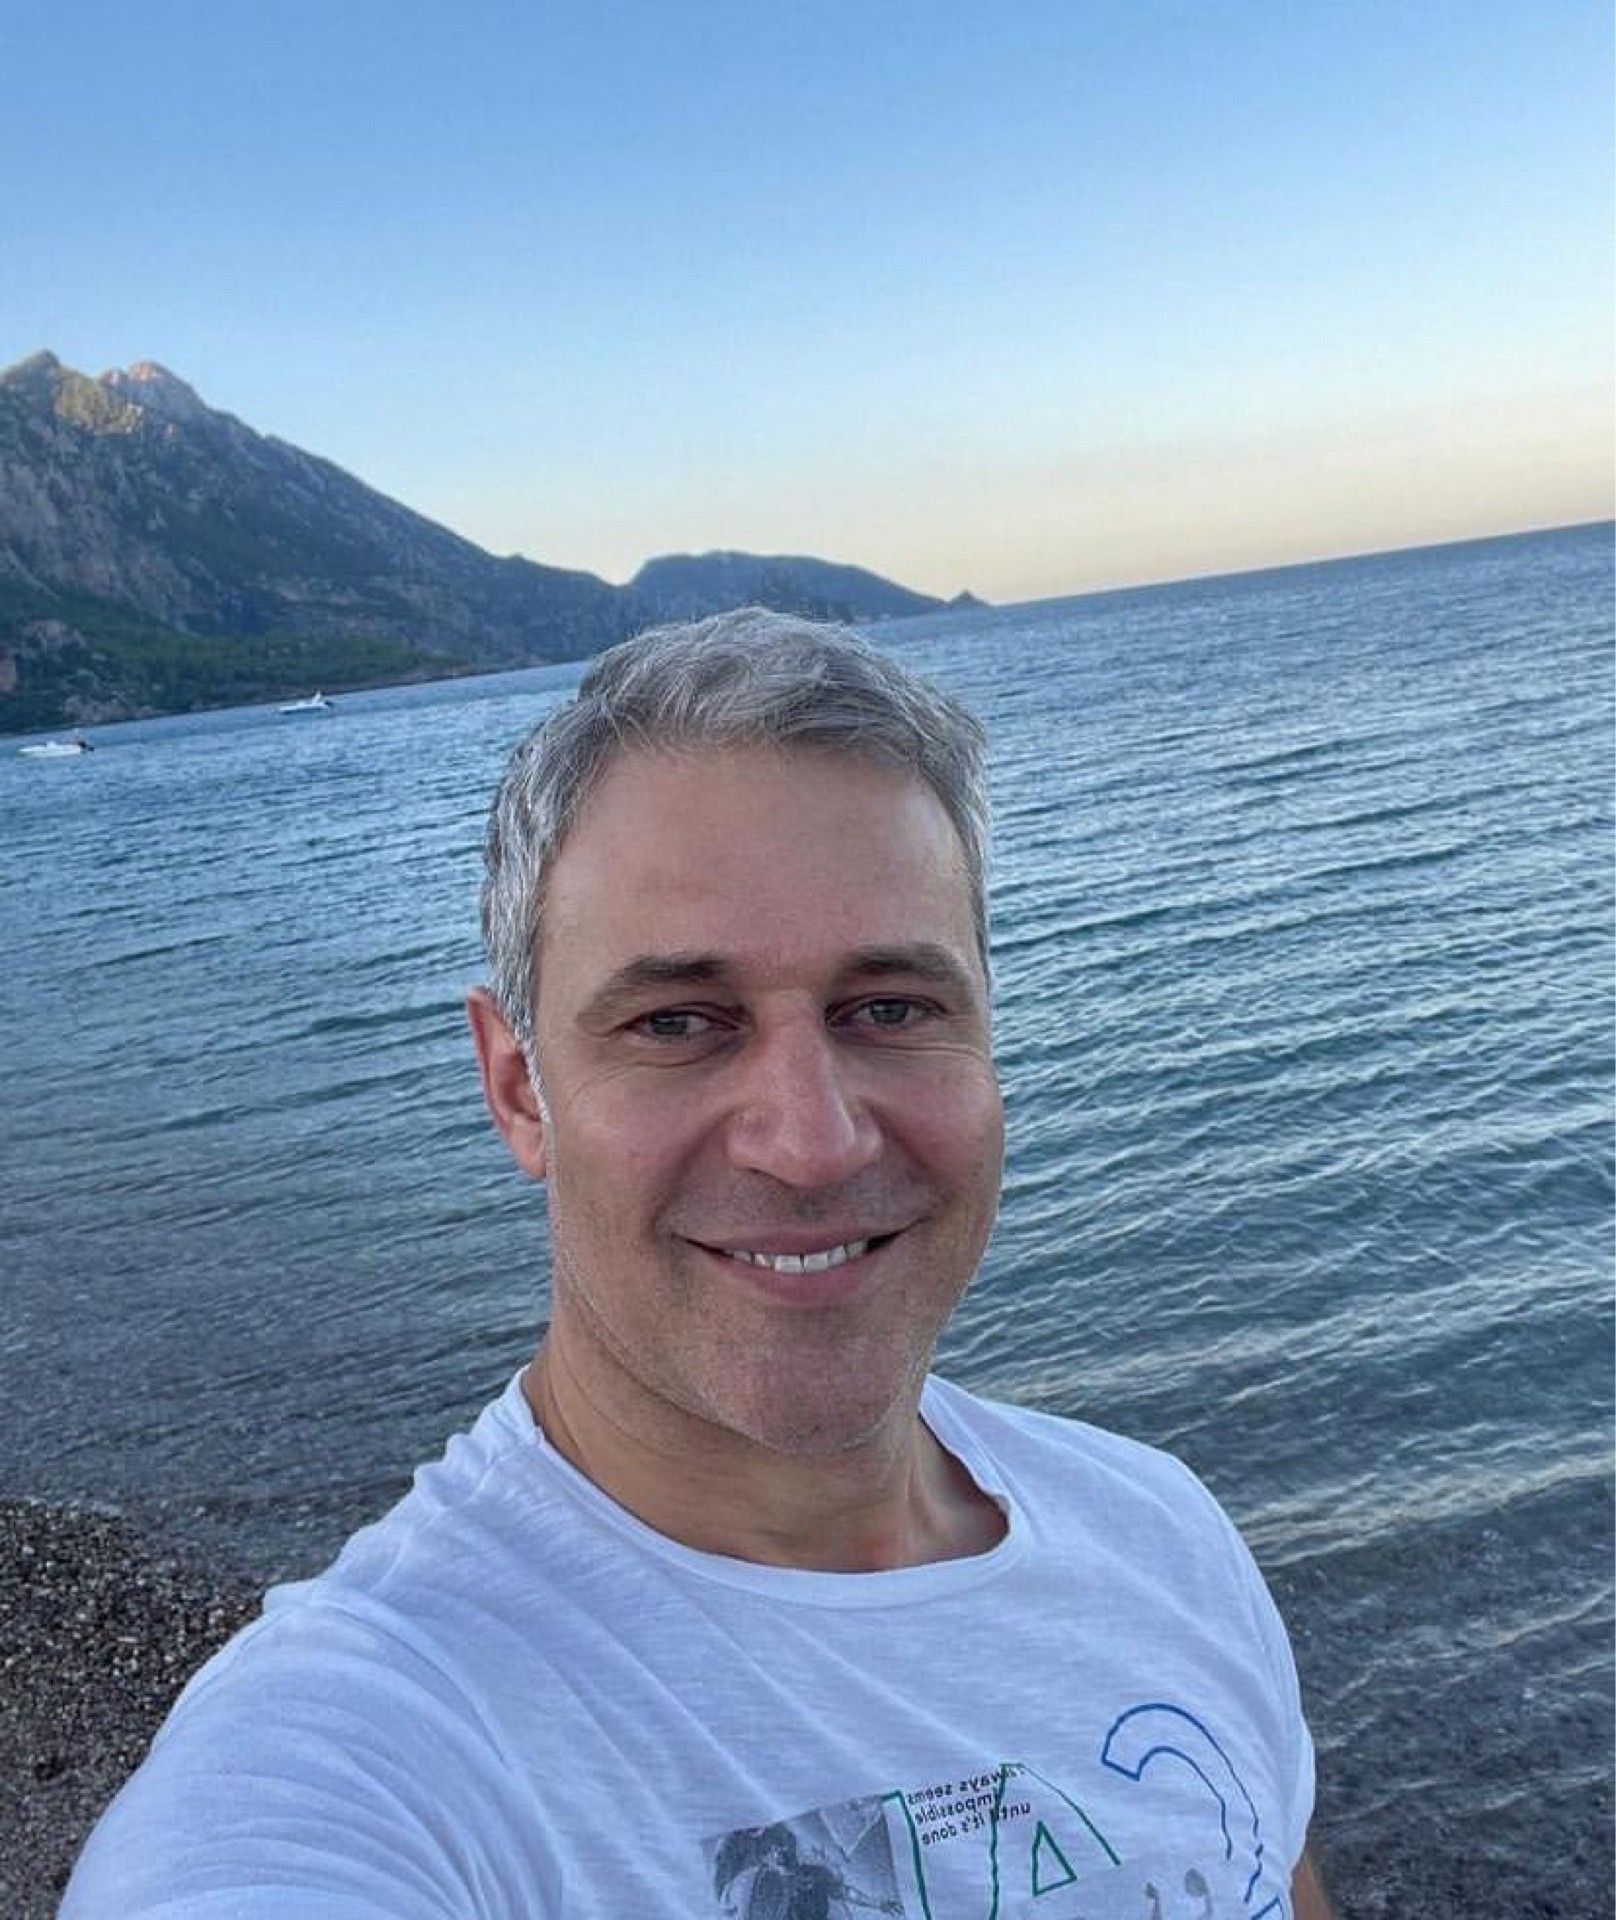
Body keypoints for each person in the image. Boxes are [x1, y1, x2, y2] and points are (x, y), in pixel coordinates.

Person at [66, 610, 1334, 1918]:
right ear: (518, 1089)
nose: (811, 1143)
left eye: (888, 1008)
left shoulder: (1159, 1534)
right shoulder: (374, 1744)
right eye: (678, 1022)